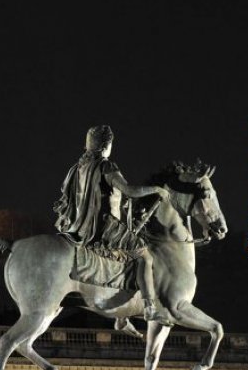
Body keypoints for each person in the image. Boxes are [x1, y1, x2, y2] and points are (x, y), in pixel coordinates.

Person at [53, 125, 171, 323]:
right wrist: (156, 190)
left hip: (78, 226)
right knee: (144, 255)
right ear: (106, 145)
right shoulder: (105, 166)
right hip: (103, 226)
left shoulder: (77, 168)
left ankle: (121, 317)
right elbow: (129, 190)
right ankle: (150, 307)